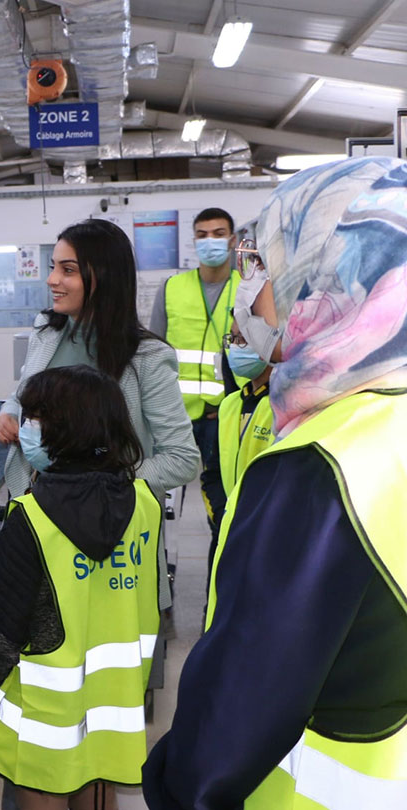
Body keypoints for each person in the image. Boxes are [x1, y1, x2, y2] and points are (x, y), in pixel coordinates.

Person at [144, 156, 407, 808]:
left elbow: (220, 746)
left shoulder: (319, 468)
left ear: (326, 279)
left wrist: (170, 781)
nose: (248, 290)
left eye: (263, 268)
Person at [0, 364, 162, 810]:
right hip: (114, 703)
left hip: (43, 714)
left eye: (34, 418)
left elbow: (0, 635)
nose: (25, 428)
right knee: (98, 788)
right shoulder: (145, 504)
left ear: (66, 430)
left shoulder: (31, 519)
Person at [0, 218, 198, 503]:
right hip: (38, 503)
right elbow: (22, 394)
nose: (52, 279)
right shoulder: (46, 331)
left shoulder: (148, 357)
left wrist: (102, 481)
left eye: (68, 270)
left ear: (105, 276)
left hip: (109, 515)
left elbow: (182, 459)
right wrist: (9, 414)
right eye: (53, 267)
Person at [149, 208, 246, 545]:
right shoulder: (172, 288)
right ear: (194, 240)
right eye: (202, 235)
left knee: (223, 508)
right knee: (158, 505)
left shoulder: (249, 288)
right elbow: (153, 352)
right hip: (175, 415)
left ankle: (219, 576)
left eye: (218, 234)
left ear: (232, 240)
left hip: (226, 416)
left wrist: (235, 404)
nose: (210, 241)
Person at [216, 322, 273, 499]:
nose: (234, 346)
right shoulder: (230, 404)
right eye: (232, 338)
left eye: (242, 339)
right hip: (231, 513)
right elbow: (213, 473)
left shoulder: (283, 406)